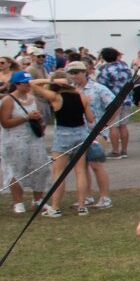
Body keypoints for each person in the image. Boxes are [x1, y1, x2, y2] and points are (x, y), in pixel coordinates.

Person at [2, 70, 55, 214]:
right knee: (17, 169)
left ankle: (38, 200)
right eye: (24, 83)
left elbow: (40, 119)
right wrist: (26, 117)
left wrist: (38, 119)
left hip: (33, 138)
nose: (27, 86)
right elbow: (5, 122)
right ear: (17, 84)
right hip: (14, 139)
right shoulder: (8, 100)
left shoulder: (33, 99)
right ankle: (18, 202)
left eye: (29, 83)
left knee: (40, 167)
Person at [46, 71, 94, 217]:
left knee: (58, 172)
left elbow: (33, 84)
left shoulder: (55, 97)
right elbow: (91, 119)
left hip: (63, 134)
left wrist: (50, 81)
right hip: (80, 134)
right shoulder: (82, 97)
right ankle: (82, 206)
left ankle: (55, 207)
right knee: (80, 171)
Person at [71, 62, 115, 209]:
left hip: (97, 132)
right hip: (78, 132)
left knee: (96, 164)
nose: (74, 75)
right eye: (71, 72)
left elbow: (115, 104)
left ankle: (105, 197)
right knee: (81, 166)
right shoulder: (70, 90)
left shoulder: (98, 88)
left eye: (77, 72)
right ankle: (87, 196)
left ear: (85, 72)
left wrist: (106, 123)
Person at [96, 47, 135, 158]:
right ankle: (124, 150)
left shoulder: (104, 69)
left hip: (112, 101)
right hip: (126, 99)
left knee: (113, 126)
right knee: (123, 125)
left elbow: (101, 85)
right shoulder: (125, 67)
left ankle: (115, 151)